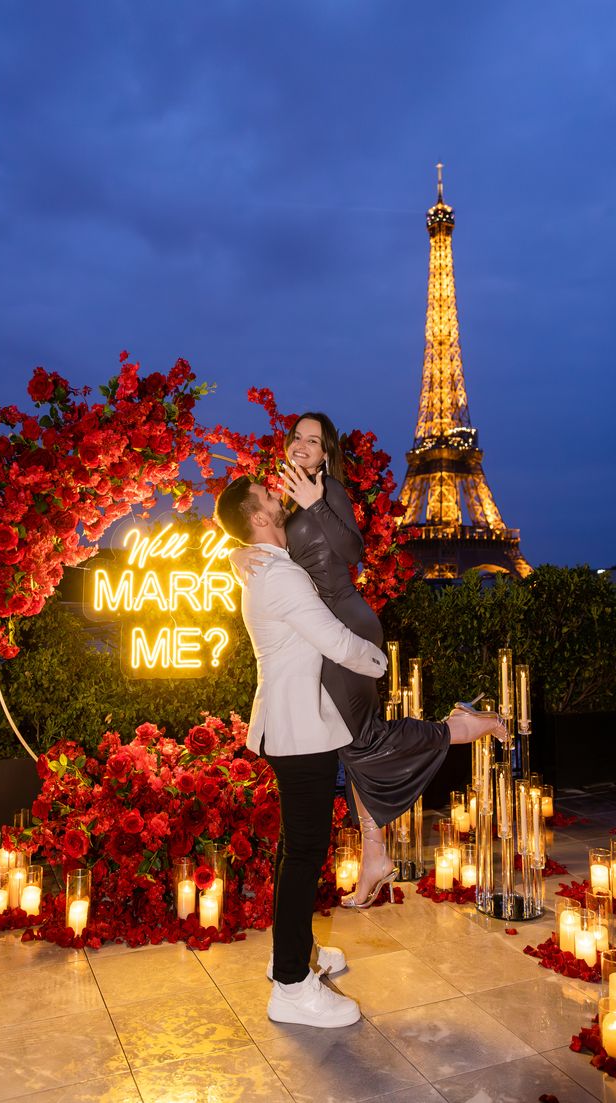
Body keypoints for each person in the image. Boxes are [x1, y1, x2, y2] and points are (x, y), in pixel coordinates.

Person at [232, 412, 507, 909]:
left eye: (313, 442)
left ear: (325, 454)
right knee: (351, 743)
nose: (302, 446)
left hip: (346, 625)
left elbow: (354, 550)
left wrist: (318, 506)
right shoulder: (289, 508)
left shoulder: (327, 490)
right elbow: (271, 552)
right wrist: (236, 553)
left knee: (361, 740)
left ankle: (458, 727)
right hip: (325, 630)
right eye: (297, 437)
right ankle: (377, 851)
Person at [214, 475, 387, 1028]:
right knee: (305, 855)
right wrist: (381, 663)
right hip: (299, 729)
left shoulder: (267, 566)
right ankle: (290, 985)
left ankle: (290, 956)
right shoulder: (280, 574)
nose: (277, 497)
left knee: (298, 849)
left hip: (291, 724)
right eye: (268, 497)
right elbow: (334, 639)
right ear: (258, 517)